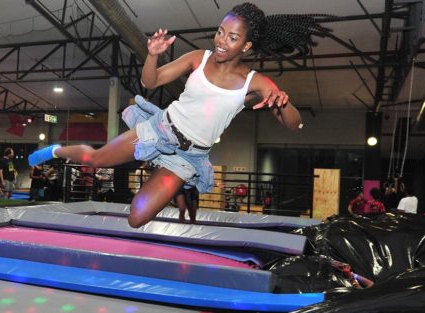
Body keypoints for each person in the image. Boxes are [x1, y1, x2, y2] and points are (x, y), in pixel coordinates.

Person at [28, 3, 316, 228]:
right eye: (220, 31)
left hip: (186, 158)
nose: (221, 41)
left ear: (246, 46)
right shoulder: (197, 58)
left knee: (137, 217)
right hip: (159, 129)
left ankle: (168, 178)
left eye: (232, 37)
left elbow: (295, 125)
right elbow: (150, 82)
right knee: (95, 158)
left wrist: (284, 103)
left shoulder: (255, 82)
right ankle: (56, 149)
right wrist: (152, 55)